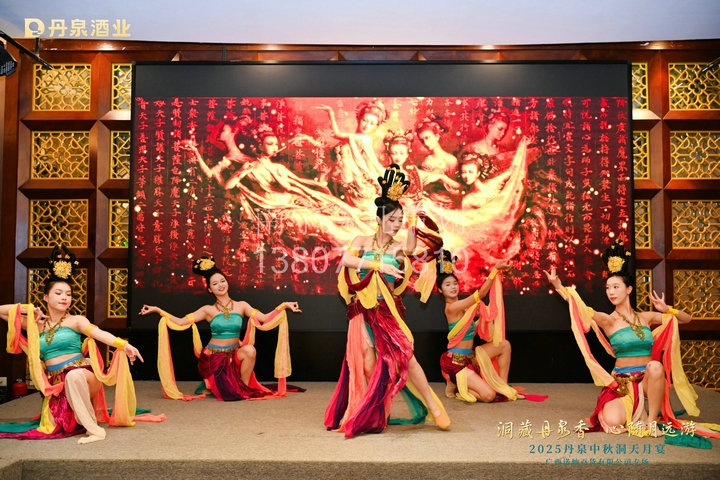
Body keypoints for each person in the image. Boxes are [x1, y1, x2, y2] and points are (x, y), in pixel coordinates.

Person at [543, 241, 720, 440]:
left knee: (655, 366)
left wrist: (668, 309)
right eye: (608, 288)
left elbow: (686, 319)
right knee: (612, 421)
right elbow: (579, 307)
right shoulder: (608, 320)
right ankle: (635, 409)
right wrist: (558, 286)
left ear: (628, 289)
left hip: (647, 380)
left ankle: (651, 420)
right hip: (622, 383)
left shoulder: (646, 318)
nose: (611, 292)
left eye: (616, 287)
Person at [324, 164, 451, 437]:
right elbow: (346, 260)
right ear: (379, 219)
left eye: (400, 220)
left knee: (406, 355)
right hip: (362, 311)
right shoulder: (361, 241)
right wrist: (378, 266)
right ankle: (377, 410)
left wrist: (414, 222)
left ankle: (433, 404)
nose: (396, 225)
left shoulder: (398, 247)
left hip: (386, 310)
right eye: (392, 220)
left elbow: (411, 248)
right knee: (368, 364)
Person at [0, 245, 155, 444]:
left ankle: (95, 431)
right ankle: (82, 418)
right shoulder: (35, 325)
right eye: (58, 293)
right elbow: (2, 311)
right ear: (46, 297)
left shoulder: (76, 321)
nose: (64, 297)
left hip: (83, 375)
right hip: (56, 384)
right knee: (56, 424)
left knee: (73, 376)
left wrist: (123, 345)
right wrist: (28, 309)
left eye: (68, 294)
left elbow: (99, 333)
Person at [140, 253, 302, 401]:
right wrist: (158, 310)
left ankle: (243, 387)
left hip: (234, 354)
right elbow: (181, 322)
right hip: (214, 359)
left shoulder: (242, 306)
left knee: (250, 351)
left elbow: (265, 319)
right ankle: (213, 382)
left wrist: (284, 306)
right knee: (227, 392)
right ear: (210, 289)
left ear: (227, 282)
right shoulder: (207, 310)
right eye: (215, 283)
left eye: (222, 281)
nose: (220, 285)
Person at [434, 251, 519, 403]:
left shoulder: (465, 308)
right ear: (440, 290)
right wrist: (495, 270)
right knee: (488, 396)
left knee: (504, 345)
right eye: (447, 285)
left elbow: (478, 318)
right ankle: (456, 383)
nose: (453, 287)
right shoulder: (451, 308)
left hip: (470, 357)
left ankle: (502, 386)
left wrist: (483, 314)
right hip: (456, 364)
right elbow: (481, 294)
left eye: (454, 283)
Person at [316, 100, 387, 208]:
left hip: (351, 180)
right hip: (341, 178)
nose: (367, 125)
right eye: (365, 120)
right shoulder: (352, 138)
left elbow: (336, 134)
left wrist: (331, 114)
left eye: (372, 123)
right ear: (359, 119)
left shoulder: (363, 139)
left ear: (376, 126)